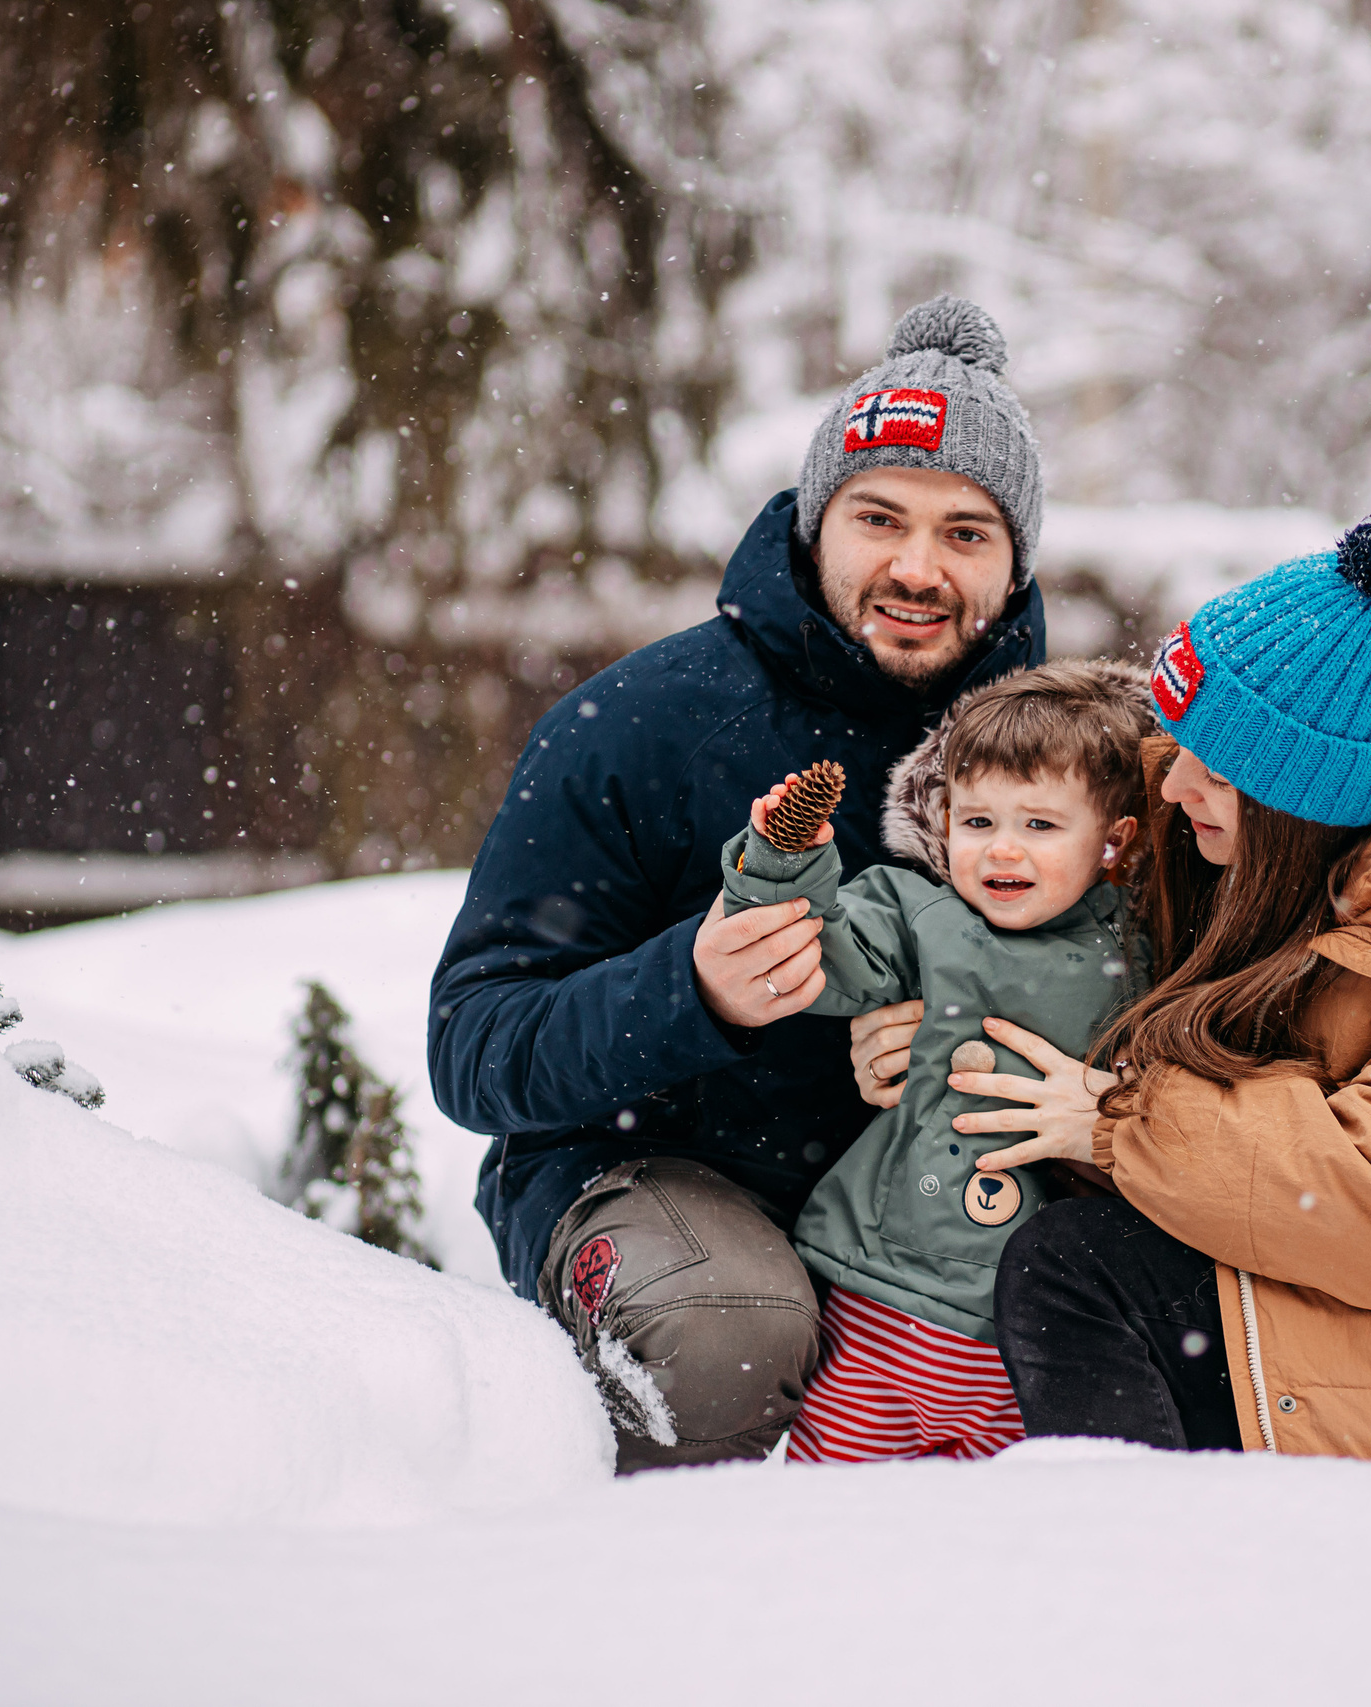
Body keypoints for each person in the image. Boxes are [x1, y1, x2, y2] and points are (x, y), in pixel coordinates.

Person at [857, 508, 1371, 1481]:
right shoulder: (1236, 837)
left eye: (1208, 773)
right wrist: (940, 1028)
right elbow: (1063, 959)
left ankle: (1139, 1568)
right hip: (1352, 1294)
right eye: (1175, 751)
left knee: (1075, 1266)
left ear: (1303, 807)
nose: (1171, 793)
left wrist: (1122, 1124)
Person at [427, 296, 1048, 1470]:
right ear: (816, 525)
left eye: (968, 532)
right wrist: (691, 992)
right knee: (731, 1337)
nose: (919, 567)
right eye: (880, 519)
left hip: (937, 1198)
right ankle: (676, 1611)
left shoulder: (1060, 755)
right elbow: (473, 1044)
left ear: (1016, 562)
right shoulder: (641, 725)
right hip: (660, 1178)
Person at [717, 662, 1153, 1462]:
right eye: (979, 822)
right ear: (944, 821)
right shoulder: (918, 914)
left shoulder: (1141, 954)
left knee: (982, 1549)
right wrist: (783, 863)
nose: (1002, 849)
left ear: (1115, 841)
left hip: (1021, 1340)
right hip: (876, 1300)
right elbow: (823, 958)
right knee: (836, 1513)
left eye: (1042, 826)